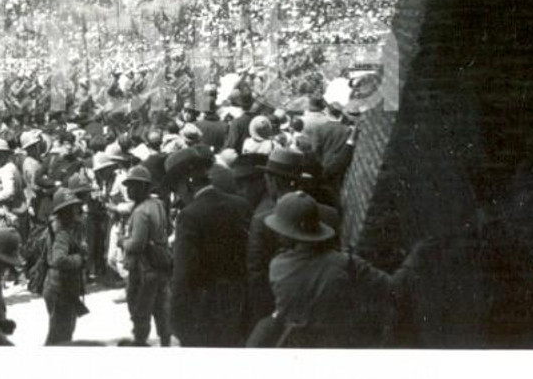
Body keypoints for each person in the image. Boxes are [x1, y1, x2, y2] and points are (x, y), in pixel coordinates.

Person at [252, 191, 431, 347]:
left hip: (296, 344)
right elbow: (393, 288)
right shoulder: (346, 263)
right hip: (339, 342)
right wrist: (415, 257)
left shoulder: (277, 266)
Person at [166, 146, 251, 346]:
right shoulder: (241, 205)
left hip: (204, 311)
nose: (179, 196)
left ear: (185, 184)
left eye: (176, 189)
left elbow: (183, 274)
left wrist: (176, 319)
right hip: (240, 304)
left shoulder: (189, 216)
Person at [246, 148, 339, 330]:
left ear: (272, 181)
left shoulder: (262, 220)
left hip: (280, 309)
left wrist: (264, 317)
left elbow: (257, 274)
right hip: (321, 308)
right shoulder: (330, 214)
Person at [118, 166, 171, 347]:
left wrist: (122, 241)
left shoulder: (141, 212)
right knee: (161, 309)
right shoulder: (157, 205)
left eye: (132, 186)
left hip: (142, 269)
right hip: (160, 265)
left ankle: (140, 343)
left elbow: (136, 244)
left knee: (140, 311)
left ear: (142, 187)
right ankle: (165, 342)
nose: (128, 190)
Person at [43, 188, 88, 345]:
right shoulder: (62, 233)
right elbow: (59, 259)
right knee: (61, 336)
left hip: (61, 288)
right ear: (65, 211)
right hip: (60, 289)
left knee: (61, 333)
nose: (77, 210)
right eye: (72, 208)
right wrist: (79, 259)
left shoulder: (64, 229)